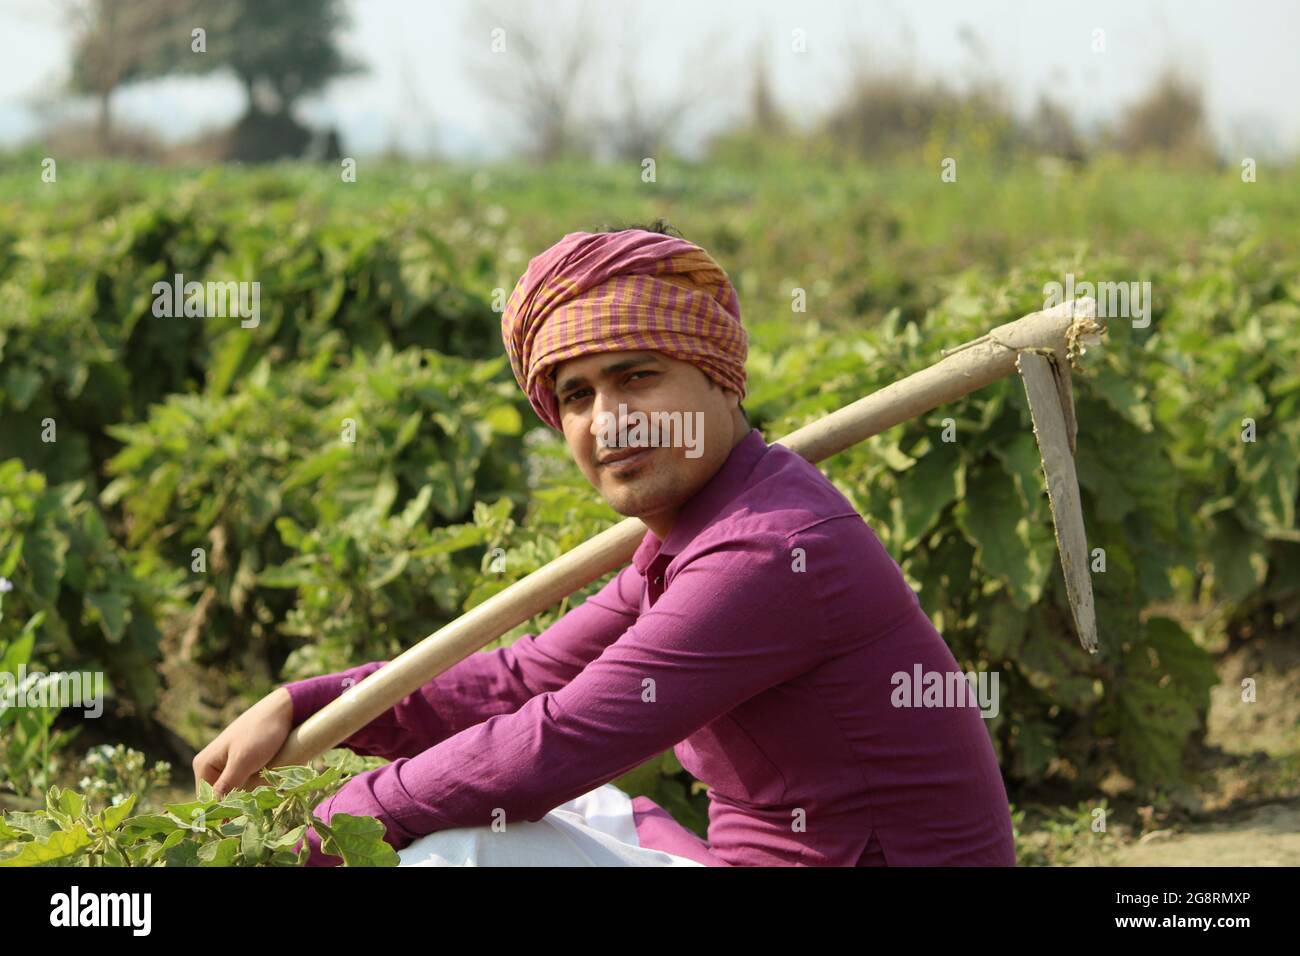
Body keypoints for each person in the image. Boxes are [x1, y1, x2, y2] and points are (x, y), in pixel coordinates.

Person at [194, 222, 1017, 867]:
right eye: (578, 395)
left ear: (721, 380)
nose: (608, 421)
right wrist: (314, 705)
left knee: (453, 852)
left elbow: (556, 740)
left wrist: (340, 819)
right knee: (582, 815)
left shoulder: (770, 552)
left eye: (637, 377)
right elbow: (516, 683)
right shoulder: (694, 535)